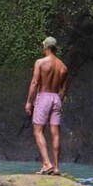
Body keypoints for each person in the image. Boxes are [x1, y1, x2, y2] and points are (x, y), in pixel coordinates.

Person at [24, 36, 68, 175]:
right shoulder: (63, 67)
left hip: (43, 96)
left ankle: (46, 163)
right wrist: (57, 100)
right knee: (55, 133)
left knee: (38, 131)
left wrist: (29, 102)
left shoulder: (40, 63)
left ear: (46, 47)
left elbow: (35, 83)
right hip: (56, 98)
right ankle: (56, 167)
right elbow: (63, 90)